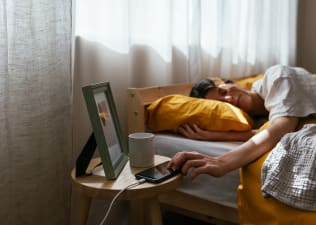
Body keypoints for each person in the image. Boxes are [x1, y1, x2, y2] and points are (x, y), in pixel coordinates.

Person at [168, 65, 316, 178]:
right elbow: (266, 131)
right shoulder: (260, 118)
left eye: (223, 92)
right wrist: (212, 135)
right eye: (224, 105)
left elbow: (282, 126)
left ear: (231, 82)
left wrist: (222, 162)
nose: (229, 99)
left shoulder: (277, 76)